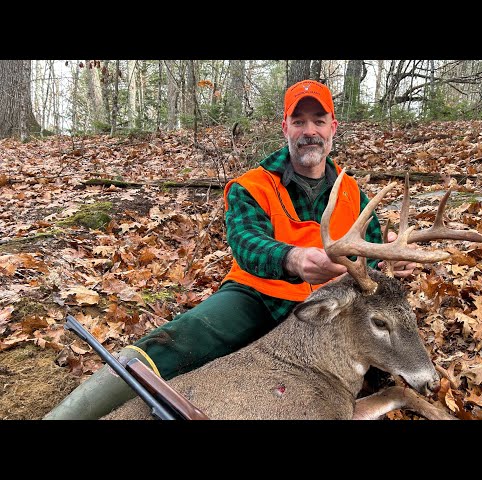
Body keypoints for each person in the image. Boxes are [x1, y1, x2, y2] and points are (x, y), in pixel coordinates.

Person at [43, 79, 417, 420]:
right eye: (299, 122)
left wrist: (388, 263)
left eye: (318, 121)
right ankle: (66, 416)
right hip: (258, 296)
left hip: (329, 313)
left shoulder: (353, 193)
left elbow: (369, 265)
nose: (309, 132)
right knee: (179, 340)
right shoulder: (252, 185)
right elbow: (245, 243)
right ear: (285, 128)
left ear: (333, 128)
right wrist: (294, 258)